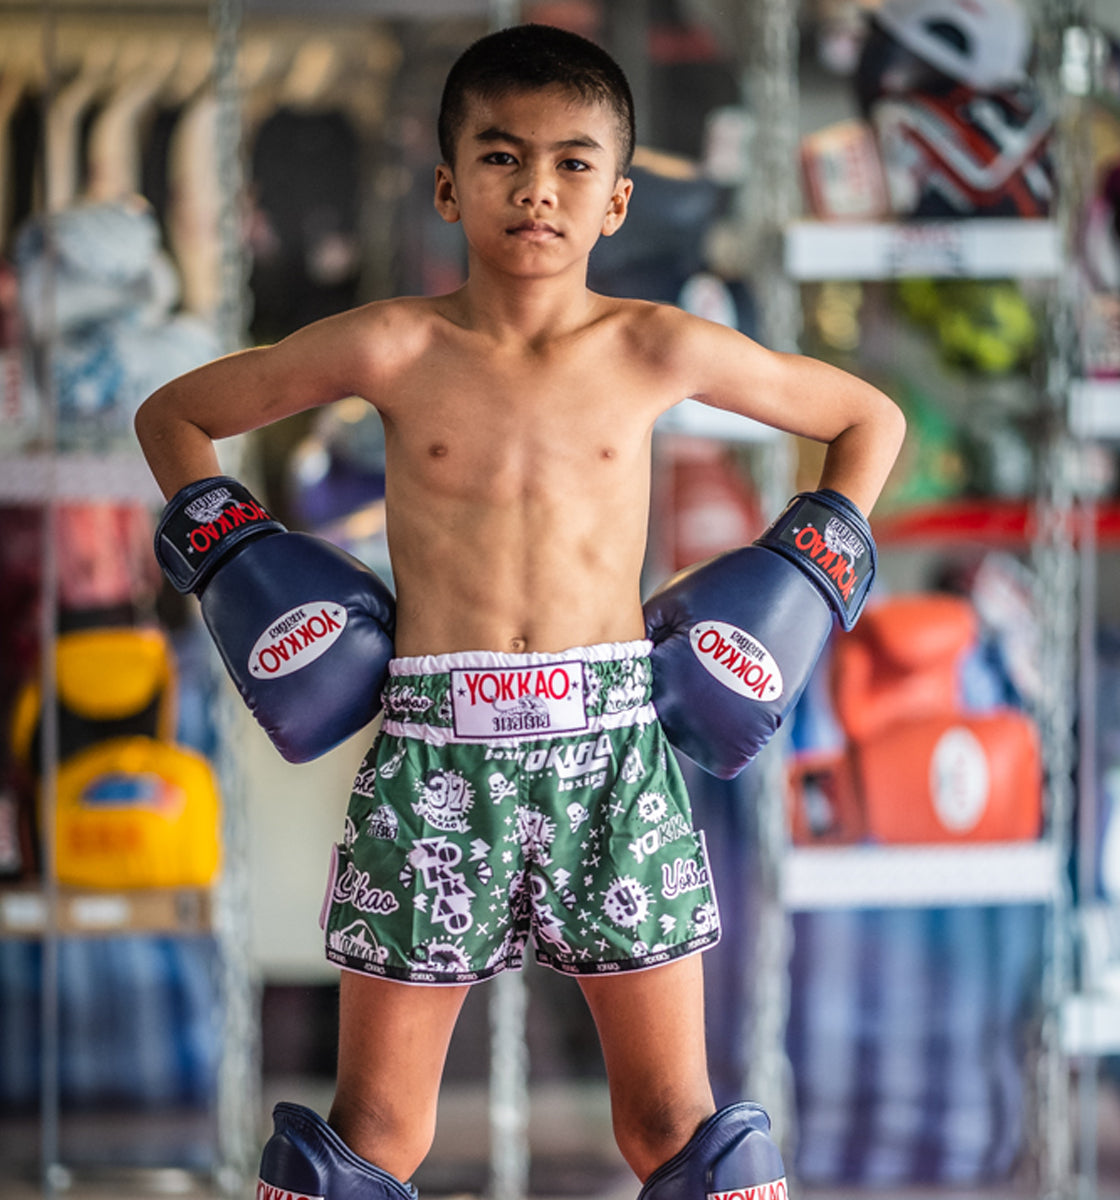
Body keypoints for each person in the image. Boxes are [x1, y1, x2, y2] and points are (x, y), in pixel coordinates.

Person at [135, 22, 905, 1200]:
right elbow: (175, 414)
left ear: (616, 199)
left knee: (680, 1131)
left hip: (613, 754)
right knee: (371, 1138)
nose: (535, 188)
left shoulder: (658, 345)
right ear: (447, 184)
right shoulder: (390, 344)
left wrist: (806, 574)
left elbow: (867, 421)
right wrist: (239, 562)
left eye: (572, 163)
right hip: (434, 755)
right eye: (500, 157)